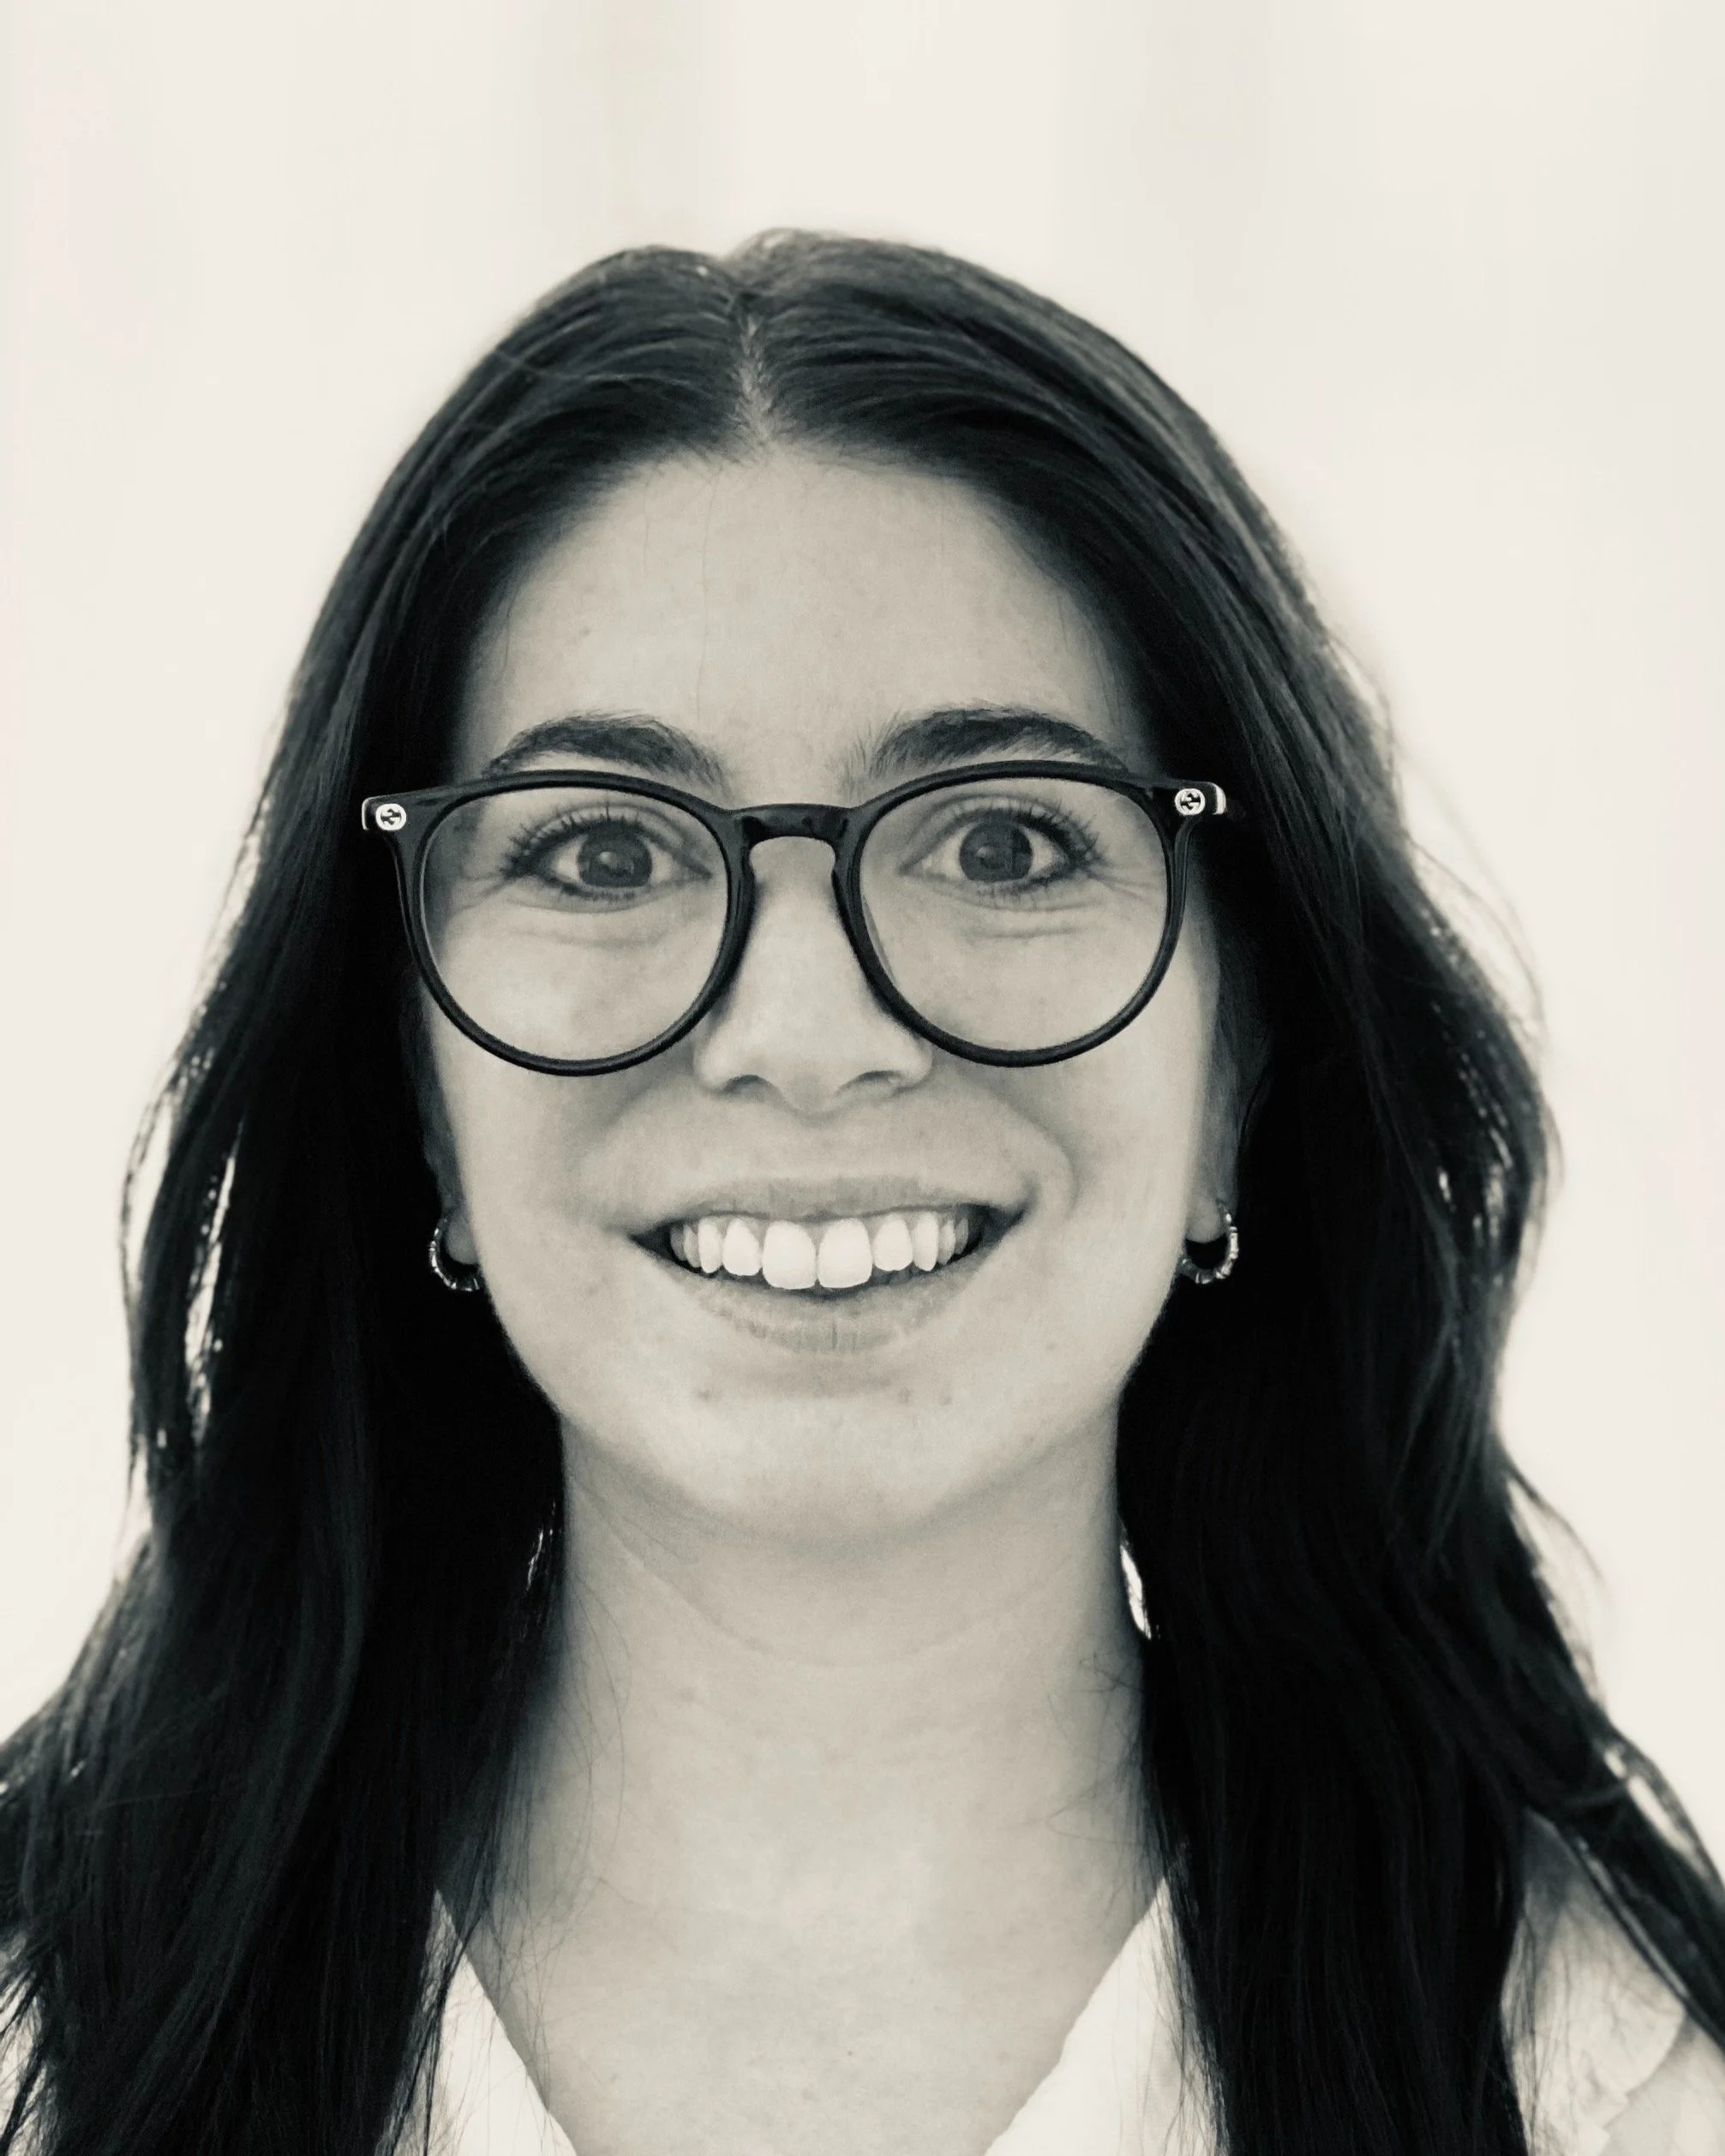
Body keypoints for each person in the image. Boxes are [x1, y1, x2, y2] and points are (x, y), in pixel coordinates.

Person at [2, 231, 1722, 2156]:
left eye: (1001, 842)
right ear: (411, 1083)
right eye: (598, 852)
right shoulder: (42, 2044)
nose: (806, 1032)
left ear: (1242, 1067)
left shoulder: (1619, 2091)